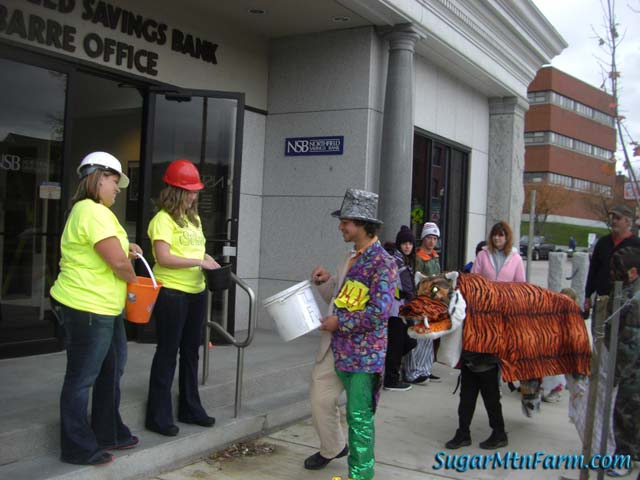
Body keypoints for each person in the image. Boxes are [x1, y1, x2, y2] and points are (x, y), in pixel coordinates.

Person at [50, 151, 142, 466]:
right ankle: (77, 447)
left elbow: (112, 250)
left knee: (111, 371)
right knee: (82, 378)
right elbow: (116, 261)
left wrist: (127, 248)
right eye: (114, 181)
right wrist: (135, 283)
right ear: (98, 177)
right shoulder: (91, 211)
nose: (118, 189)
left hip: (103, 307)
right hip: (87, 306)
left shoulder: (95, 212)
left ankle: (109, 431)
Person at [308, 188, 397, 480]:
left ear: (362, 224)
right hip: (335, 349)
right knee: (320, 399)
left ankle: (360, 475)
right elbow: (341, 297)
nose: (341, 227)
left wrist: (340, 323)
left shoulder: (383, 263)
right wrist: (326, 282)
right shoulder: (350, 257)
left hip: (363, 356)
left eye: (345, 222)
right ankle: (333, 447)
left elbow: (379, 312)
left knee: (359, 418)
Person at [145, 159, 220, 437]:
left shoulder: (193, 219)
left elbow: (195, 251)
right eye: (189, 192)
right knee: (167, 353)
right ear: (175, 191)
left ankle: (190, 407)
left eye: (195, 192)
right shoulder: (162, 220)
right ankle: (158, 416)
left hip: (196, 291)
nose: (193, 197)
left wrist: (207, 259)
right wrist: (198, 262)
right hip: (172, 293)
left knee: (191, 352)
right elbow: (163, 257)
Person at [446, 220, 523, 450]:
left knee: (489, 384)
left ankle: (498, 432)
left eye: (502, 235)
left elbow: (521, 288)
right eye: (495, 235)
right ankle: (463, 432)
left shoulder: (516, 259)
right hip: (477, 321)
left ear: (507, 237)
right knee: (468, 383)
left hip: (499, 326)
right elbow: (472, 284)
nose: (498, 238)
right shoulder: (482, 256)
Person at [605, 246, 640, 477]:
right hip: (629, 366)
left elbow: (630, 343)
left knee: (626, 413)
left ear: (633, 272)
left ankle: (624, 458)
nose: (613, 274)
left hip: (632, 370)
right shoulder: (627, 291)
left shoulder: (634, 300)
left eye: (618, 270)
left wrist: (616, 373)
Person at [584, 205, 640, 332]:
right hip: (603, 299)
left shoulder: (636, 244)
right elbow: (593, 270)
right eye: (613, 217)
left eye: (618, 218)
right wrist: (588, 295)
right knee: (599, 335)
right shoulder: (603, 242)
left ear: (628, 222)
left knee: (620, 338)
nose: (614, 221)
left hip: (626, 302)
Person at [403, 222, 441, 385]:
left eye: (435, 238)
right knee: (419, 335)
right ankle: (414, 370)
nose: (432, 241)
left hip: (432, 300)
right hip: (421, 300)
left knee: (429, 336)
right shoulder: (418, 258)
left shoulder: (435, 257)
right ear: (423, 238)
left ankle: (425, 369)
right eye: (429, 238)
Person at [383, 226, 418, 391]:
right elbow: (407, 287)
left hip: (400, 308)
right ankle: (391, 379)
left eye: (410, 243)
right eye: (404, 243)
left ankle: (389, 372)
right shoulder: (398, 261)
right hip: (396, 310)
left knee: (406, 342)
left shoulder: (403, 260)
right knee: (398, 344)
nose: (407, 246)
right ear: (399, 244)